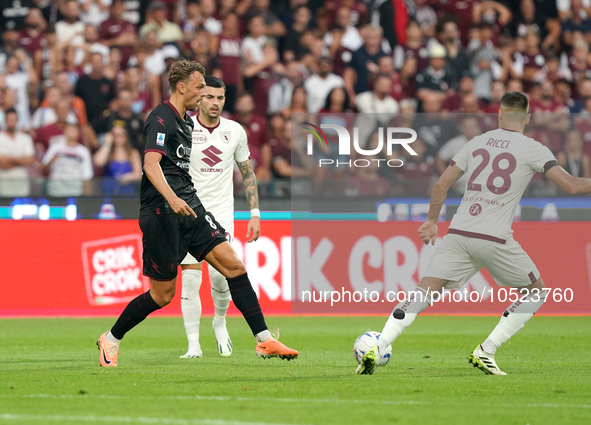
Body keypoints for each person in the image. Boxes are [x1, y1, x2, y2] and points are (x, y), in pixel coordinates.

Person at [356, 91, 591, 376]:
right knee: (535, 292)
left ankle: (380, 344)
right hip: (494, 237)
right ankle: (486, 350)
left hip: (458, 232)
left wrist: (431, 221)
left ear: (499, 115)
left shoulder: (477, 142)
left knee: (424, 292)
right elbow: (572, 186)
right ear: (528, 117)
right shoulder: (534, 148)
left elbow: (442, 183)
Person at [96, 58, 298, 367]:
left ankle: (264, 339)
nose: (204, 93)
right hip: (162, 212)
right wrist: (171, 198)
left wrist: (186, 200)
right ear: (182, 87)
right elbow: (151, 165)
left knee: (234, 267)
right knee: (162, 295)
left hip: (191, 209)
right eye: (200, 86)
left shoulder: (186, 122)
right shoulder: (160, 118)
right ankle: (110, 338)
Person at [178, 76, 261, 358]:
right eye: (209, 97)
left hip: (222, 214)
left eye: (220, 98)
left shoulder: (235, 131)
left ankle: (220, 322)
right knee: (190, 279)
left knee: (220, 277)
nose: (215, 103)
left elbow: (247, 173)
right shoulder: (184, 127)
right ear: (199, 98)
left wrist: (255, 213)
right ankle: (193, 345)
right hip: (189, 212)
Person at [41, 122, 93, 197]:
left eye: (73, 130)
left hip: (75, 190)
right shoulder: (55, 148)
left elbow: (87, 175)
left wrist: (87, 196)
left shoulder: (83, 151)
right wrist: (51, 161)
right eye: (68, 130)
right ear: (64, 132)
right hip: (55, 190)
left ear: (78, 133)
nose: (71, 132)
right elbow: (44, 169)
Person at [93, 125, 142, 195]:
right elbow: (98, 162)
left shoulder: (133, 153)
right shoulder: (108, 152)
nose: (118, 137)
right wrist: (107, 144)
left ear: (126, 136)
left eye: (121, 134)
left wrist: (125, 178)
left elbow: (138, 174)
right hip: (108, 191)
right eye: (115, 134)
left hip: (127, 191)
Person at [0, 108, 35, 197]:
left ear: (18, 121)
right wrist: (22, 160)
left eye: (14, 120)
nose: (12, 122)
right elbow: (3, 164)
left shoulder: (25, 138)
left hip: (22, 182)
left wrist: (9, 158)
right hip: (4, 183)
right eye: (9, 120)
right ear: (5, 121)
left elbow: (30, 160)